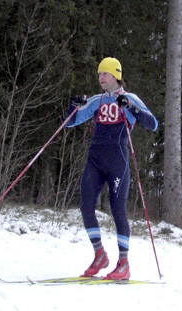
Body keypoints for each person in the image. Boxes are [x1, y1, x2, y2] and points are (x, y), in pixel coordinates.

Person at [65, 57, 158, 280]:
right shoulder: (96, 101)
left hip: (118, 162)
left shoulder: (129, 99)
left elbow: (152, 124)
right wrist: (74, 105)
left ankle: (123, 264)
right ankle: (100, 255)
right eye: (99, 74)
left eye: (104, 74)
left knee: (117, 209)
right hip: (95, 161)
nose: (100, 78)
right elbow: (69, 122)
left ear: (116, 75)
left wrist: (132, 108)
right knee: (86, 206)